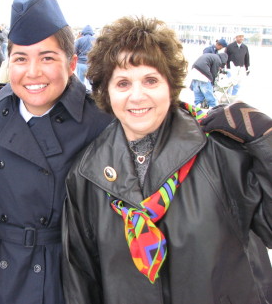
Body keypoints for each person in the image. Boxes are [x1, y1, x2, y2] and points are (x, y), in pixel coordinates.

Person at [62, 16, 272, 304]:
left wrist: (267, 144)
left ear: (170, 85)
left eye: (150, 80)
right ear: (106, 92)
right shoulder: (88, 174)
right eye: (123, 83)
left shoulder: (220, 151)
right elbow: (81, 280)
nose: (137, 96)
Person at [0, 0, 113, 304]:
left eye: (47, 58)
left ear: (72, 62)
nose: (32, 72)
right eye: (21, 59)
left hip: (67, 273)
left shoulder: (101, 122)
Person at [225, 32, 250, 96]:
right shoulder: (230, 46)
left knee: (238, 85)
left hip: (240, 68)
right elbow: (225, 57)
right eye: (240, 36)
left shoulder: (245, 47)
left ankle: (233, 97)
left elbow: (247, 58)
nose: (241, 38)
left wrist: (247, 68)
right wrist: (224, 67)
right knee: (229, 84)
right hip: (231, 68)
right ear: (236, 37)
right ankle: (228, 97)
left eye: (242, 37)